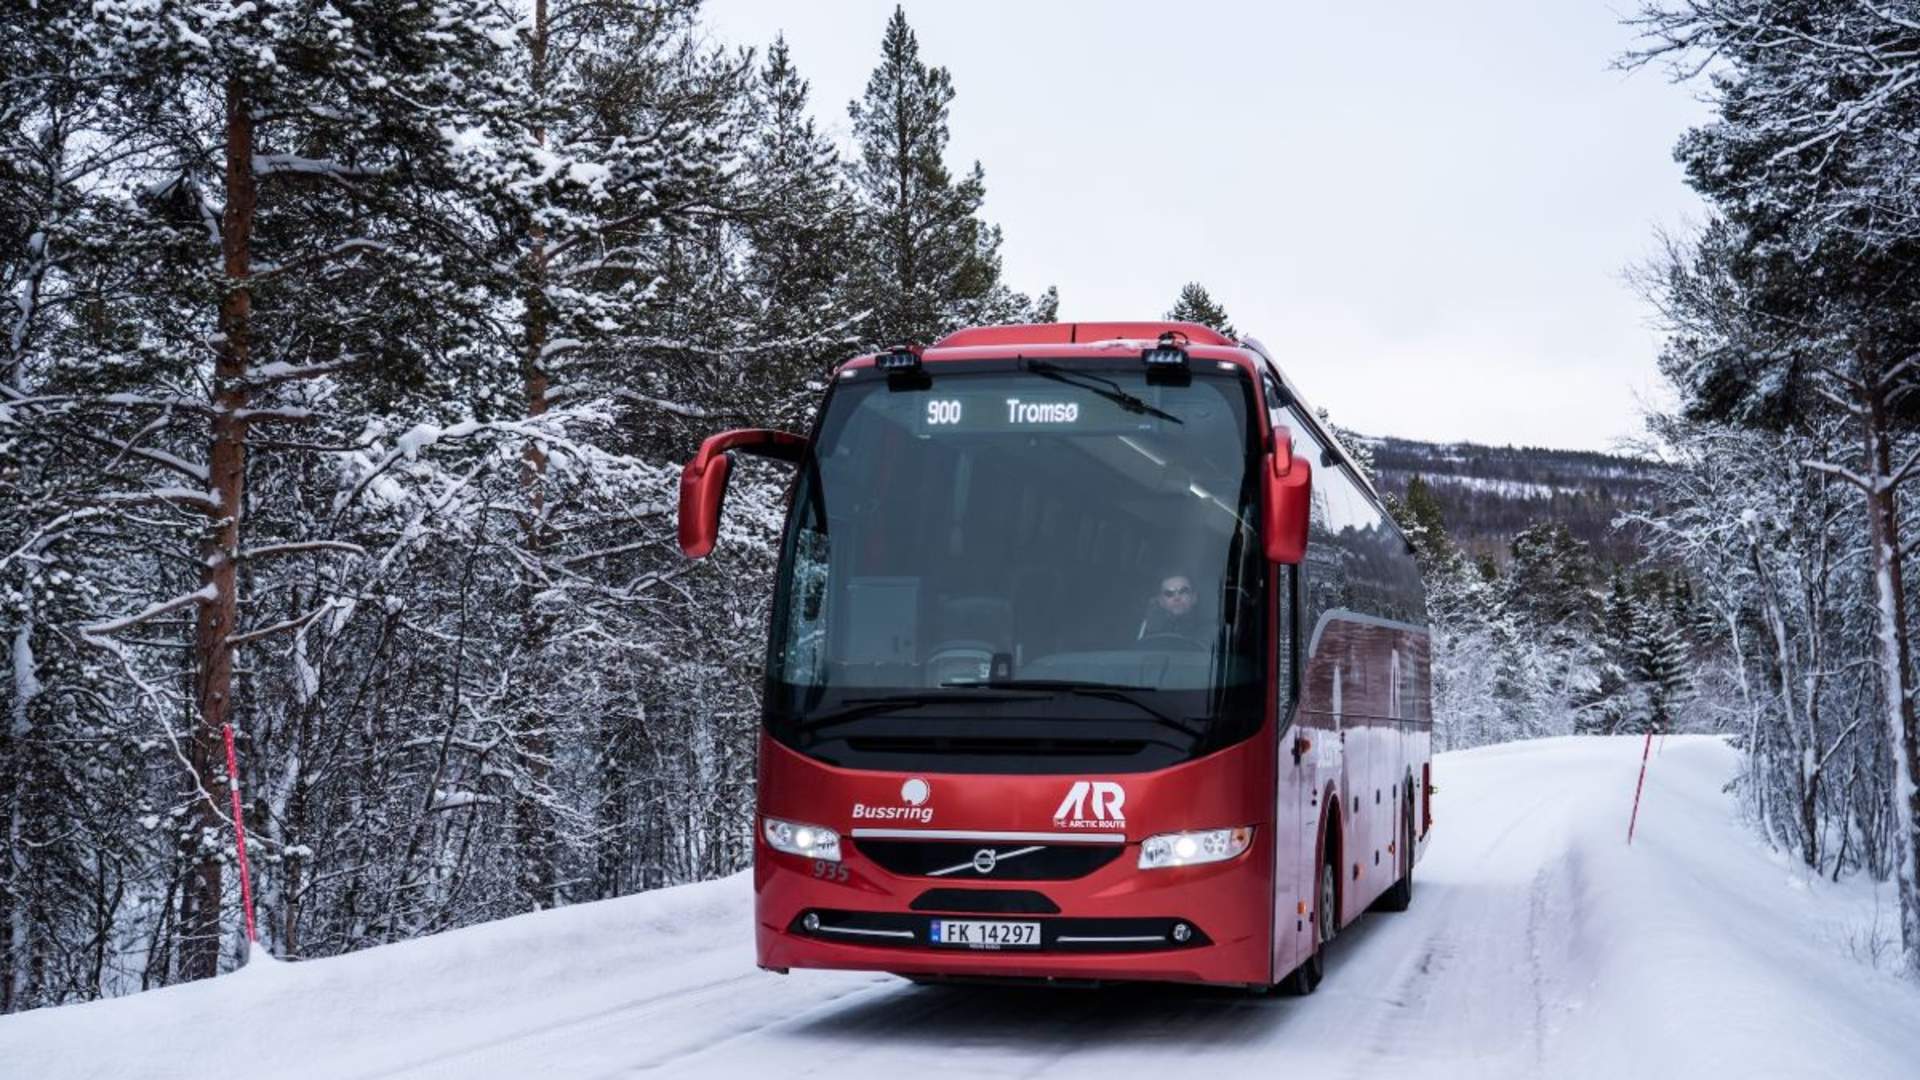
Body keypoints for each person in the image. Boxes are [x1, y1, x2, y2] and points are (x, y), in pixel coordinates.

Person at [1138, 573, 1204, 645]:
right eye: (1169, 593)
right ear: (1160, 601)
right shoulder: (1145, 631)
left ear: (1194, 597)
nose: (1177, 597)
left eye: (1183, 591)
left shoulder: (1211, 632)